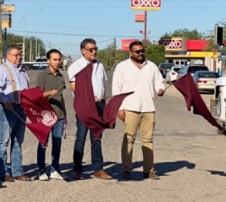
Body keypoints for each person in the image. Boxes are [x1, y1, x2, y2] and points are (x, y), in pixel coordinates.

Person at [112, 40, 165, 180]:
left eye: (142, 51)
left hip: (148, 108)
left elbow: (159, 82)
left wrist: (160, 89)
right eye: (138, 51)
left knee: (148, 140)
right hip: (129, 108)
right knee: (129, 139)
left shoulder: (152, 66)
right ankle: (126, 169)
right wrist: (119, 108)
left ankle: (149, 170)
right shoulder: (122, 67)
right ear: (130, 52)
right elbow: (116, 88)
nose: (141, 53)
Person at [68, 37, 111, 180]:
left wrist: (103, 103)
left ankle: (98, 168)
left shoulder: (99, 65)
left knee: (97, 137)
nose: (94, 52)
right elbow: (74, 87)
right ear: (83, 51)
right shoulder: (76, 66)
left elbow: (102, 86)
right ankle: (77, 168)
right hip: (84, 106)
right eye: (91, 49)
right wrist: (88, 98)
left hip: (99, 105)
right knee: (81, 137)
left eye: (95, 49)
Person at [0, 45, 30, 182]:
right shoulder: (2, 70)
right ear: (8, 56)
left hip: (22, 108)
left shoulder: (23, 71)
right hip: (8, 108)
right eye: (16, 55)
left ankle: (17, 171)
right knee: (4, 141)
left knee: (18, 141)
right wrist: (4, 100)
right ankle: (3, 172)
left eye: (20, 55)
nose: (19, 57)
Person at [36, 48, 68, 181]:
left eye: (59, 59)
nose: (57, 62)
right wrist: (48, 93)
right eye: (54, 59)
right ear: (48, 60)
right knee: (43, 143)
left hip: (59, 116)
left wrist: (65, 115)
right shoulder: (42, 76)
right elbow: (37, 96)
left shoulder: (61, 76)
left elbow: (61, 98)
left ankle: (55, 169)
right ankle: (41, 170)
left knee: (57, 143)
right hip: (46, 116)